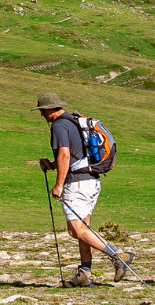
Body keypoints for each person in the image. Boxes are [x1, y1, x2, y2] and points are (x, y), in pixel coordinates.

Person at [34, 92, 133, 286]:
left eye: (42, 111)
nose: (41, 116)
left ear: (49, 109)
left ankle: (118, 256)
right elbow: (74, 157)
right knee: (84, 229)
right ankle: (85, 273)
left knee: (76, 230)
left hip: (77, 184)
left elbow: (64, 155)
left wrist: (58, 184)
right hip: (90, 180)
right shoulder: (74, 122)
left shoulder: (59, 126)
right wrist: (52, 165)